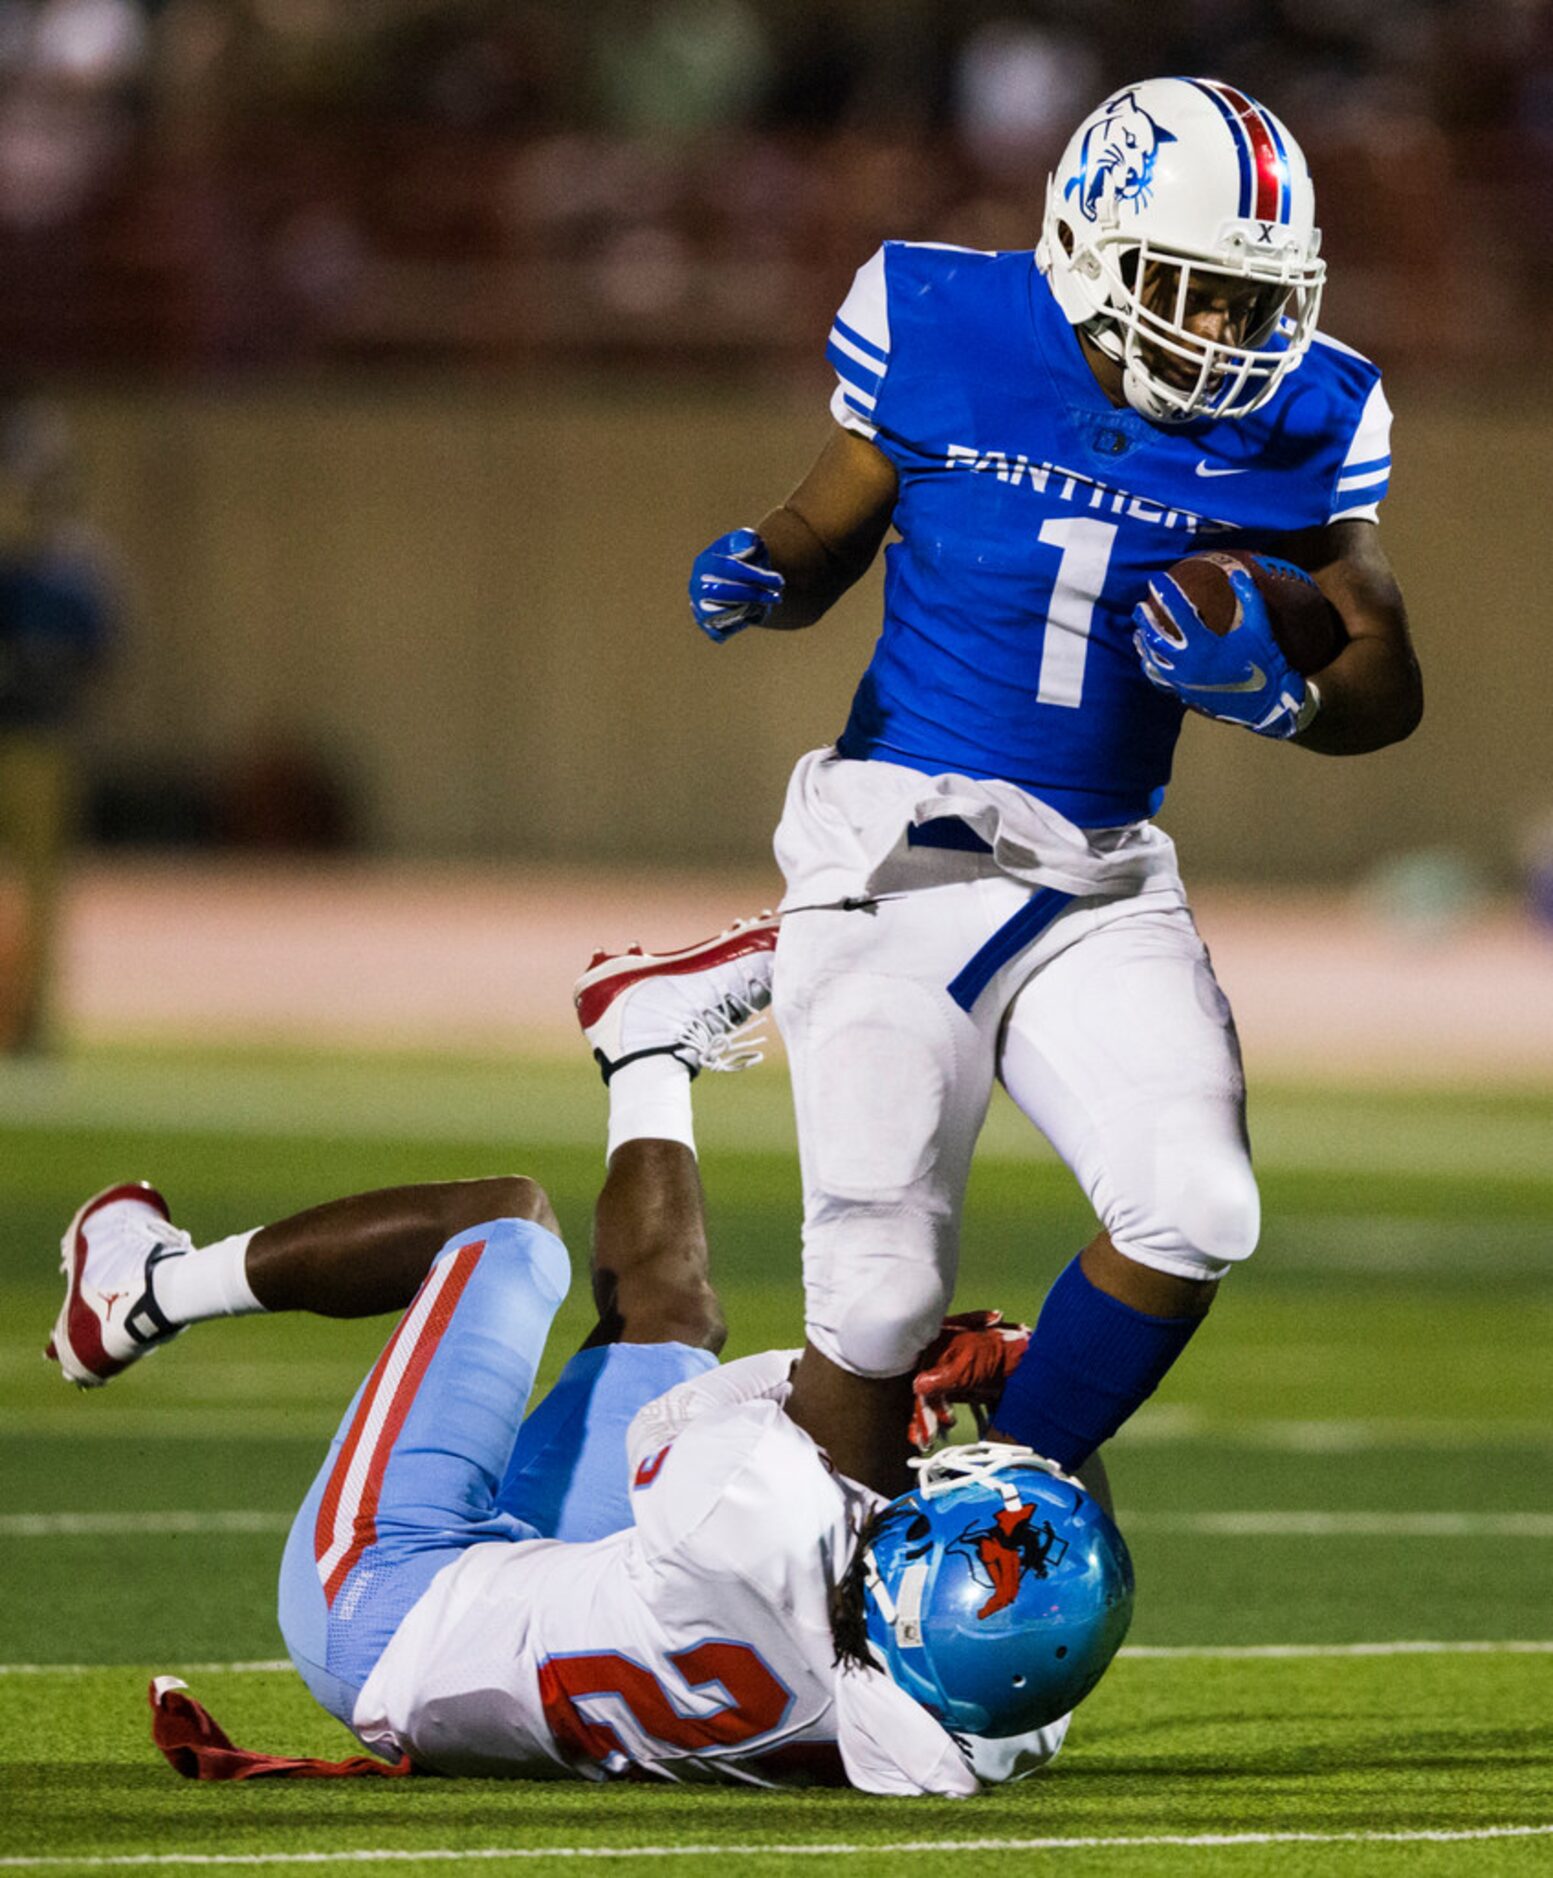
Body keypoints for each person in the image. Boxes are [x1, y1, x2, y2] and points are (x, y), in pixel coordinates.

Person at [687, 77, 1424, 1496]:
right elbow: (829, 520)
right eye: (1189, 288)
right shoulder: (945, 323)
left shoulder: (1306, 414)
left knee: (1196, 1199)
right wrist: (769, 575)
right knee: (880, 1293)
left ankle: (991, 1501)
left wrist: (1288, 696)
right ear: (1087, 242)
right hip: (895, 853)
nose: (1223, 332)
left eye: (1250, 300)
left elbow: (1385, 664)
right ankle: (814, 1646)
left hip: (1095, 871)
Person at [45, 919, 1133, 1794]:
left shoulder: (743, 1529)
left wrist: (922, 1376)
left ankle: (140, 1293)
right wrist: (1031, 1409)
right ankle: (647, 1047)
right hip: (585, 1600)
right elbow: (1045, 1550)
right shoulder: (987, 1724)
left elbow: (764, 1403)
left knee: (505, 1233)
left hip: (385, 1609)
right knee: (669, 1309)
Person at [0, 393, 118, 1052]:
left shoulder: (76, 564)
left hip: (41, 740)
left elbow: (100, 650)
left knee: (42, 892)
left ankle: (32, 1027)